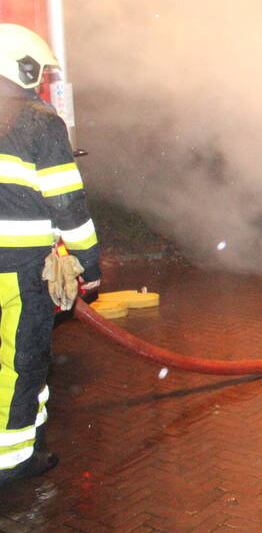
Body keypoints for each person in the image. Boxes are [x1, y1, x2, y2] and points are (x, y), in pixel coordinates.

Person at [0, 24, 101, 485]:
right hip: (19, 267)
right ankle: (14, 458)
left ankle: (27, 436)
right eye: (40, 73)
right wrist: (88, 264)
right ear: (24, 68)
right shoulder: (39, 122)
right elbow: (67, 204)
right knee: (22, 359)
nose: (42, 82)